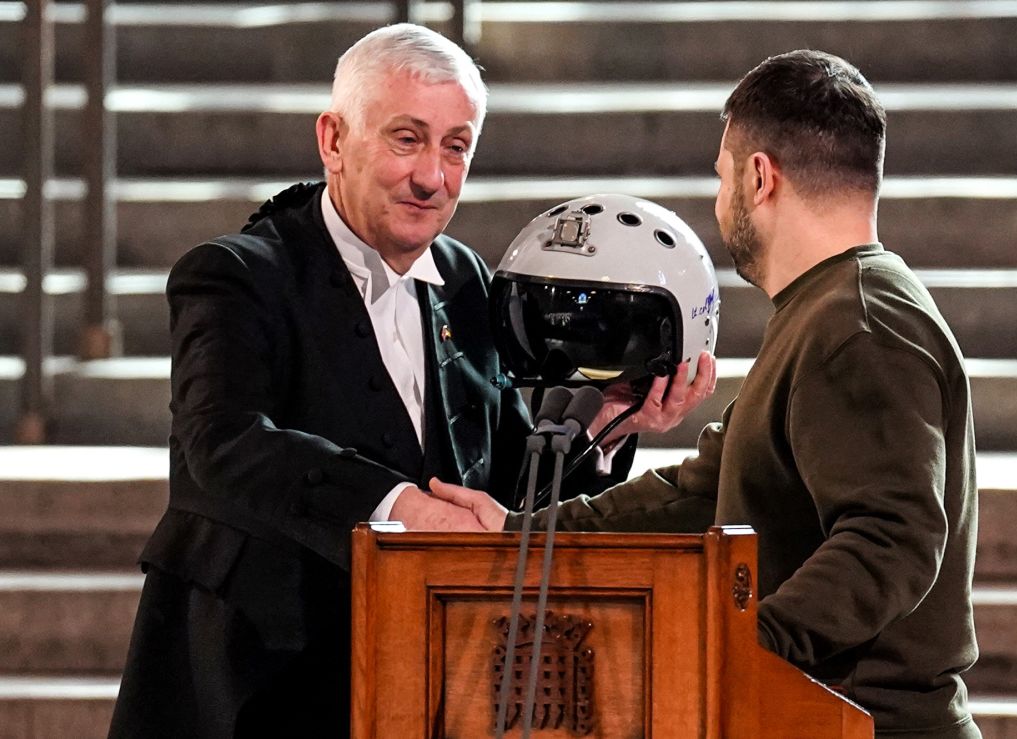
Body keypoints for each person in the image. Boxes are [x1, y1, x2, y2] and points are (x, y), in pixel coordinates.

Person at [108, 24, 714, 739]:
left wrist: (607, 425)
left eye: (456, 146)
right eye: (407, 139)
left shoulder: (466, 279)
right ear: (333, 139)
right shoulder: (233, 276)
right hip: (255, 688)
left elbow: (505, 487)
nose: (433, 176)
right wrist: (399, 506)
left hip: (429, 683)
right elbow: (224, 442)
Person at [433, 50, 981, 738]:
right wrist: (520, 533)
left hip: (867, 723)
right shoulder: (833, 308)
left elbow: (894, 536)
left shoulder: (859, 322)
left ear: (760, 177)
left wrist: (740, 643)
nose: (721, 201)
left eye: (722, 177)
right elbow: (701, 490)